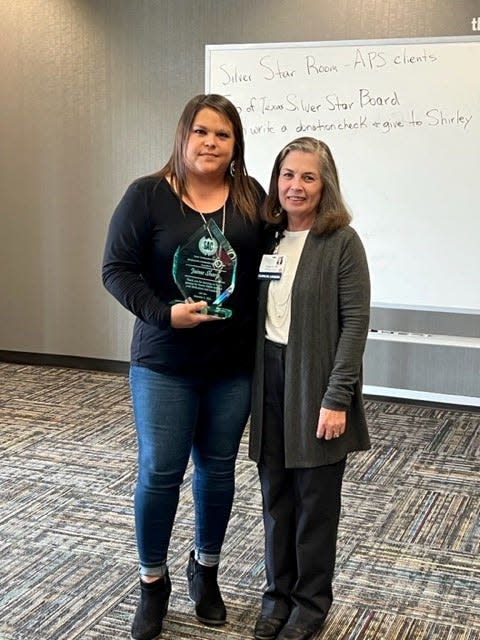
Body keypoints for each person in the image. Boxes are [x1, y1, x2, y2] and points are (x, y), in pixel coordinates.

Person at [102, 94, 265, 640]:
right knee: (160, 472)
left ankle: (206, 571)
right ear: (183, 136)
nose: (211, 143)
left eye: (222, 135)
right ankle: (153, 583)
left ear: (235, 144)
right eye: (201, 132)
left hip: (232, 366)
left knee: (218, 470)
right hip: (164, 363)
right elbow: (116, 269)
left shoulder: (249, 199)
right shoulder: (147, 195)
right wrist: (163, 313)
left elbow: (280, 260)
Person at [249, 137, 371, 640]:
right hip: (269, 380)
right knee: (276, 497)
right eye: (287, 175)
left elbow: (355, 324)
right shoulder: (268, 239)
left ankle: (310, 603)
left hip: (316, 383)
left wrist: (337, 397)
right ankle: (277, 594)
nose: (294, 186)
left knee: (315, 503)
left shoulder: (342, 242)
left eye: (308, 177)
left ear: (326, 186)